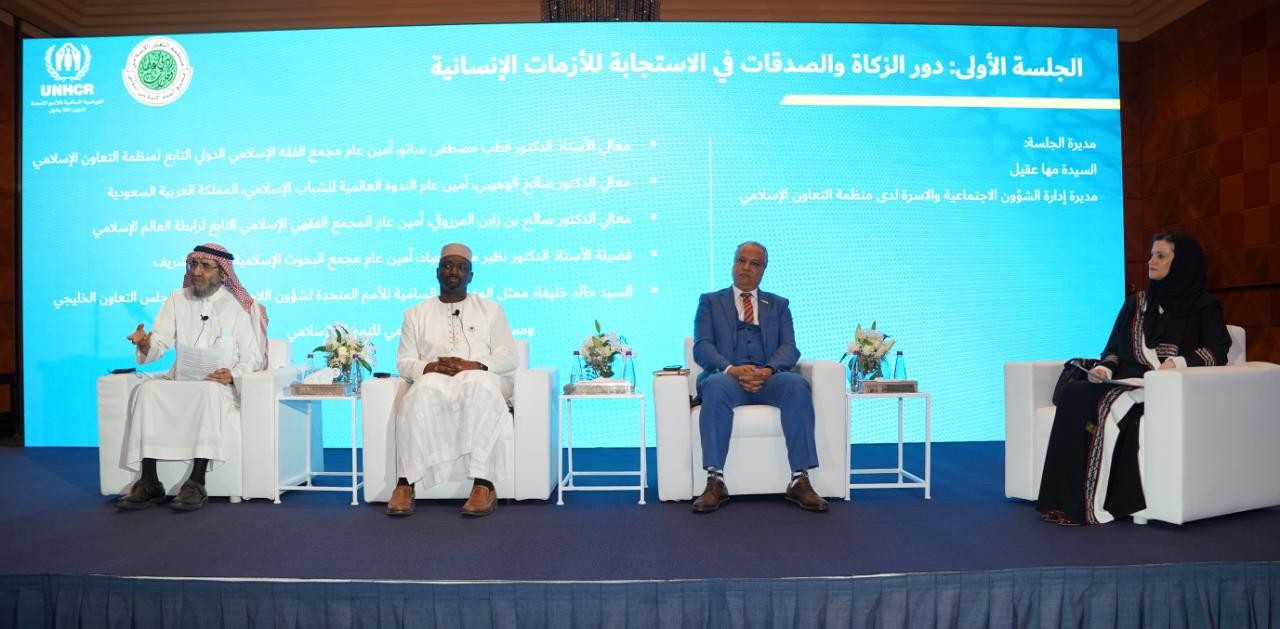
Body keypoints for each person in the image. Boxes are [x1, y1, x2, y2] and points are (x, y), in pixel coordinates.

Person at [1036, 232, 1231, 525]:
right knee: (1074, 393)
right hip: (1126, 383)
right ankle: (1060, 501)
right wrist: (1105, 369)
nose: (1151, 261)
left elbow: (1218, 351)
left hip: (1166, 391)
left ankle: (1084, 507)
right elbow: (1114, 349)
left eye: (1161, 256)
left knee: (1092, 405)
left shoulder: (1205, 306)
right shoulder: (1136, 303)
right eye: (1151, 255)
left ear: (1182, 263)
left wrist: (1178, 363)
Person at [116, 243, 268, 512]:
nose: (196, 271)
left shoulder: (238, 307)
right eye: (193, 265)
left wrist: (233, 374)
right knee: (147, 390)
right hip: (182, 380)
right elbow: (160, 342)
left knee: (208, 391)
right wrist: (145, 343)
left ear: (223, 273)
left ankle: (196, 482)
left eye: (205, 266)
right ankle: (149, 481)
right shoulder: (177, 299)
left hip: (216, 385)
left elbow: (253, 356)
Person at [690, 241, 827, 513]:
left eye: (754, 264)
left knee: (797, 385)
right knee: (715, 386)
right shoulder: (710, 302)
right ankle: (715, 481)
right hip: (727, 378)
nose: (746, 268)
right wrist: (731, 369)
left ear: (764, 270)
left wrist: (768, 370)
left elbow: (789, 347)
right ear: (733, 264)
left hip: (769, 378)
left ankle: (799, 480)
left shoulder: (778, 305)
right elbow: (702, 346)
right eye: (741, 261)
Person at [386, 243, 519, 517]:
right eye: (447, 266)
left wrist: (476, 365)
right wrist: (430, 367)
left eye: (461, 267)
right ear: (437, 272)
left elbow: (509, 355)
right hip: (435, 378)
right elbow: (404, 361)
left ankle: (483, 484)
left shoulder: (491, 310)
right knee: (421, 392)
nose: (453, 272)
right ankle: (405, 483)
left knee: (477, 385)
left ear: (471, 276)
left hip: (481, 376)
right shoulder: (415, 314)